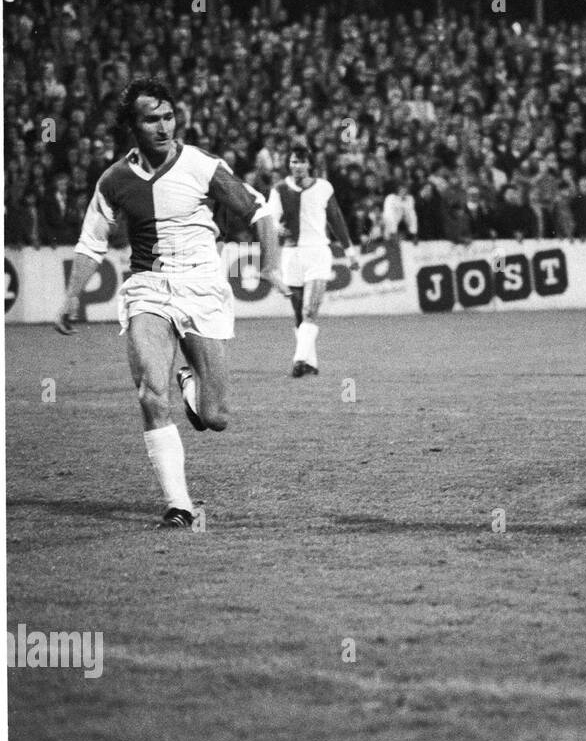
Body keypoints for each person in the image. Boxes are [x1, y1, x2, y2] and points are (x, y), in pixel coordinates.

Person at [55, 78, 285, 529]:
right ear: (133, 127)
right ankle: (178, 504)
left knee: (215, 417)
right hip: (148, 287)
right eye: (151, 119)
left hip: (201, 286)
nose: (163, 127)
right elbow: (90, 243)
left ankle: (188, 380)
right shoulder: (115, 179)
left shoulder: (201, 165)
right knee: (148, 393)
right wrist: (70, 295)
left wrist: (272, 265)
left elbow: (260, 212)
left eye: (168, 116)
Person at [267, 144, 360, 378]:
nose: (297, 166)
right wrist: (277, 228)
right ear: (289, 164)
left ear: (309, 165)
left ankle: (299, 360)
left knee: (310, 310)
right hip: (291, 255)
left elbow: (336, 219)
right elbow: (271, 220)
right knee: (299, 314)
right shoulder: (279, 189)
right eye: (293, 162)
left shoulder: (323, 188)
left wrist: (349, 252)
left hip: (318, 253)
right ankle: (311, 363)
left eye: (301, 162)